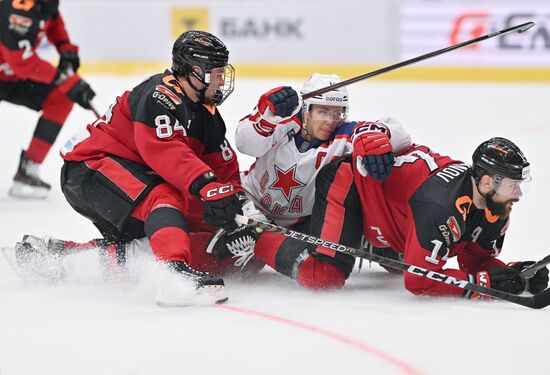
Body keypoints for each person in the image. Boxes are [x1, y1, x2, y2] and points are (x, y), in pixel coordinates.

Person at [12, 30, 261, 306]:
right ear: (192, 71)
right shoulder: (160, 95)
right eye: (215, 74)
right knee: (164, 197)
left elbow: (222, 165)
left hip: (119, 178)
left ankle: (57, 257)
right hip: (90, 169)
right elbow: (166, 150)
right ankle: (173, 275)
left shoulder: (206, 115)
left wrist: (238, 200)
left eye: (222, 73)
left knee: (148, 244)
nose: (221, 81)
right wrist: (208, 186)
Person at [253, 136, 549, 298]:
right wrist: (483, 285)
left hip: (390, 217)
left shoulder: (495, 206)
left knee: (407, 260)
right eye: (513, 185)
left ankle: (366, 239)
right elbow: (418, 282)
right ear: (487, 182)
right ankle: (253, 236)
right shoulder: (440, 205)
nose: (518, 195)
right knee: (322, 277)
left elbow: (474, 262)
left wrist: (511, 275)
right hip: (351, 186)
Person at [235, 73, 412, 230]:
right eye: (323, 112)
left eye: (337, 113)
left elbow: (401, 137)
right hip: (248, 205)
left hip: (298, 226)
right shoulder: (281, 122)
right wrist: (264, 118)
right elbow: (245, 145)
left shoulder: (344, 134)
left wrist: (373, 137)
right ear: (306, 110)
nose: (330, 121)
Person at [0, 0, 96, 198]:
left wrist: (65, 47)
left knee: (60, 98)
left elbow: (52, 19)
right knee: (65, 89)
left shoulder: (45, 3)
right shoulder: (18, 7)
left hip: (12, 77)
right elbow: (21, 60)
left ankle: (28, 168)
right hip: (14, 69)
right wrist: (67, 80)